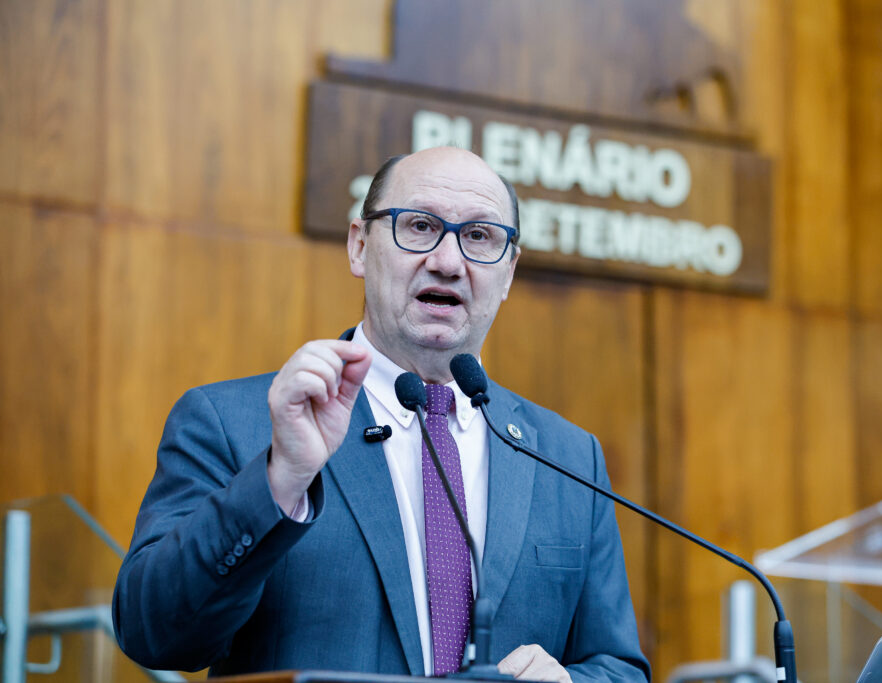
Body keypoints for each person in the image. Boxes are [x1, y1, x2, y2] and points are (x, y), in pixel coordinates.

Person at [113, 147, 650, 683]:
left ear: (508, 273)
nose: (447, 261)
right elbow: (152, 633)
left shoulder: (569, 457)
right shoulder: (232, 424)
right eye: (419, 226)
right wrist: (280, 479)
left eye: (479, 236)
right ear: (359, 246)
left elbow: (619, 666)